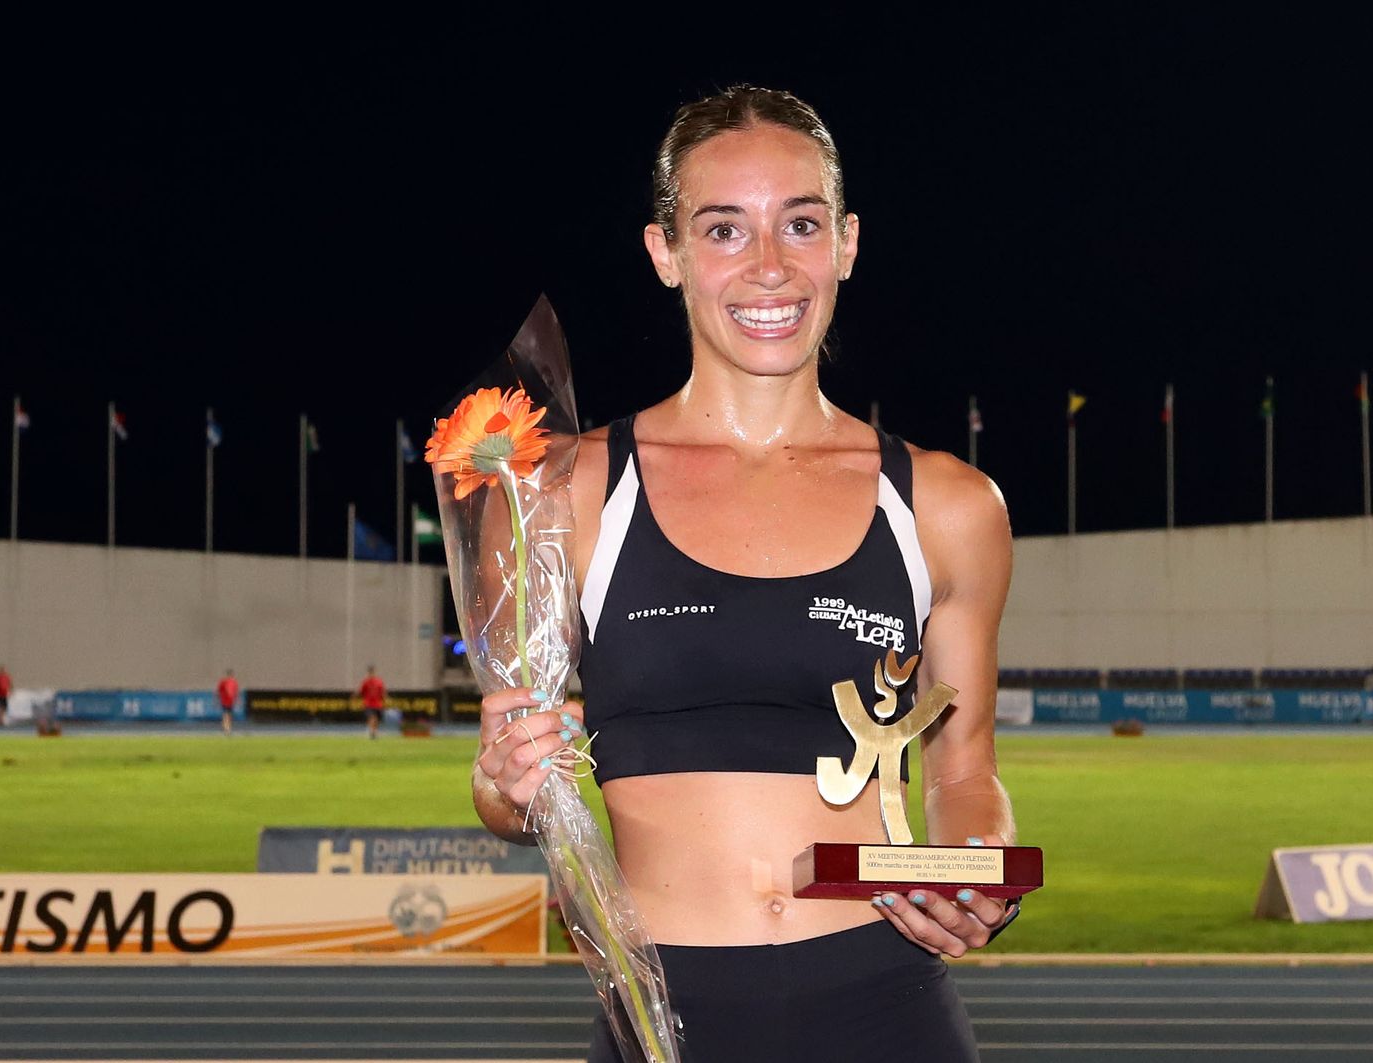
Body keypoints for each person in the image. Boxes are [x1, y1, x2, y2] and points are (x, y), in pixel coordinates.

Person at [472, 86, 1016, 1062]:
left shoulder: (945, 504)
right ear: (665, 252)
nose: (769, 266)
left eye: (799, 223)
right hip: (663, 1020)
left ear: (845, 242)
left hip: (885, 1008)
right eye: (724, 229)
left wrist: (977, 869)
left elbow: (965, 768)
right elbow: (513, 798)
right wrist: (506, 785)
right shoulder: (568, 492)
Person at [359, 665, 385, 739]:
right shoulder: (366, 682)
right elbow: (361, 692)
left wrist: (385, 699)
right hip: (369, 704)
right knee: (371, 717)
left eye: (372, 672)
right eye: (370, 672)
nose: (371, 674)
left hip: (377, 704)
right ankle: (371, 732)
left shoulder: (379, 682)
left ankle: (374, 731)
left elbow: (382, 692)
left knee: (376, 719)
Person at [216, 669, 239, 735]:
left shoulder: (234, 683)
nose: (230, 676)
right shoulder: (223, 682)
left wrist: (237, 701)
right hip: (224, 701)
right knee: (226, 715)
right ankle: (227, 730)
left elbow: (236, 692)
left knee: (230, 716)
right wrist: (217, 700)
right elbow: (219, 691)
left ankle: (226, 726)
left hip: (231, 702)